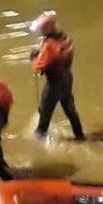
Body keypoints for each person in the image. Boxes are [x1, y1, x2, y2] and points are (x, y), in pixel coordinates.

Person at [30, 12, 85, 142]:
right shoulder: (64, 37)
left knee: (45, 111)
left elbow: (39, 66)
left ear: (47, 29)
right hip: (67, 77)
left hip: (54, 82)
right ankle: (80, 135)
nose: (40, 32)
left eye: (42, 29)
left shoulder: (49, 45)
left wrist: (33, 58)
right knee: (70, 108)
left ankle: (39, 140)